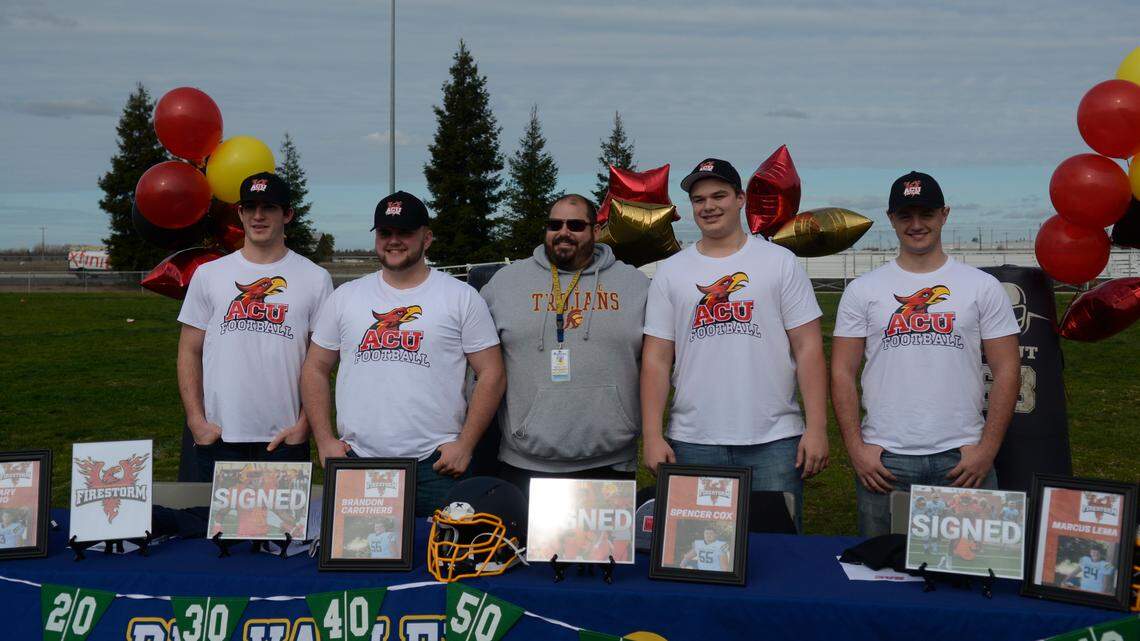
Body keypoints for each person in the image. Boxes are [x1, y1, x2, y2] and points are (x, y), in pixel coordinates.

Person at [641, 158, 829, 532]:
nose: (709, 206)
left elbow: (808, 348)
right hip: (694, 439)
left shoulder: (779, 263)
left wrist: (818, 428)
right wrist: (651, 435)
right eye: (698, 200)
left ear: (741, 199)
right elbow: (656, 359)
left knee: (776, 553)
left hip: (774, 439)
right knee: (697, 553)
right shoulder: (672, 271)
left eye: (719, 195)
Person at [831, 171, 1021, 538]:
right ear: (891, 218)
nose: (916, 225)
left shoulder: (981, 286)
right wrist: (857, 449)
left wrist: (986, 449)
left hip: (962, 456)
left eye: (926, 214)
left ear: (944, 215)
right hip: (885, 459)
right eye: (906, 215)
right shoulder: (863, 290)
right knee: (883, 577)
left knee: (971, 573)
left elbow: (1007, 369)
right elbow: (841, 371)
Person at [301, 191, 505, 517]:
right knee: (359, 561)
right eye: (385, 232)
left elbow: (492, 372)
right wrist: (324, 440)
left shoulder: (460, 297)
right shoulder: (346, 297)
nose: (393, 241)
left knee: (440, 561)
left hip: (437, 464)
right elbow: (315, 368)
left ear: (427, 238)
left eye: (404, 232)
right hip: (359, 460)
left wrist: (465, 444)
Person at [480, 194, 649, 493]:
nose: (563, 232)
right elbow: (477, 365)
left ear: (596, 231)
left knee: (603, 543)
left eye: (575, 225)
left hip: (610, 459)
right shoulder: (504, 285)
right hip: (525, 460)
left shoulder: (635, 285)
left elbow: (658, 364)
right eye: (554, 224)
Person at [177, 172, 333, 482]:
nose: (258, 216)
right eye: (250, 207)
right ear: (240, 213)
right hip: (220, 437)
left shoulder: (315, 279)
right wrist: (197, 420)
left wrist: (304, 425)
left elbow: (323, 363)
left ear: (287, 214)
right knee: (216, 530)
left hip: (285, 440)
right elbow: (188, 351)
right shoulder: (210, 275)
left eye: (269, 208)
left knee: (279, 532)